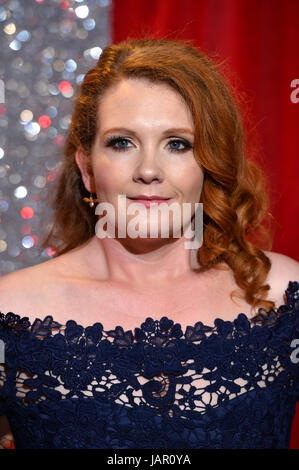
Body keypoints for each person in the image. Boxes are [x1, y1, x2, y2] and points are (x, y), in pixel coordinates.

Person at [0, 37, 298, 450]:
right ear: (86, 168)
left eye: (178, 144)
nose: (149, 170)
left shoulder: (282, 294)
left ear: (210, 164)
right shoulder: (10, 311)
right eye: (122, 142)